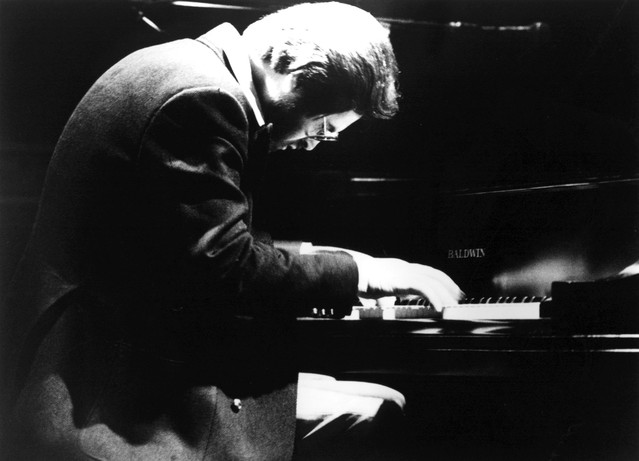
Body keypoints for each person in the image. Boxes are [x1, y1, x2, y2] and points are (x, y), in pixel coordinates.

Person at [1, 2, 462, 460]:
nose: (313, 146)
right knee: (379, 410)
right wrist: (361, 274)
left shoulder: (188, 65)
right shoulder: (205, 98)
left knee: (378, 400)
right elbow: (223, 266)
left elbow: (187, 240)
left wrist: (319, 256)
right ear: (293, 73)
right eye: (323, 128)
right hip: (100, 386)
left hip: (121, 353)